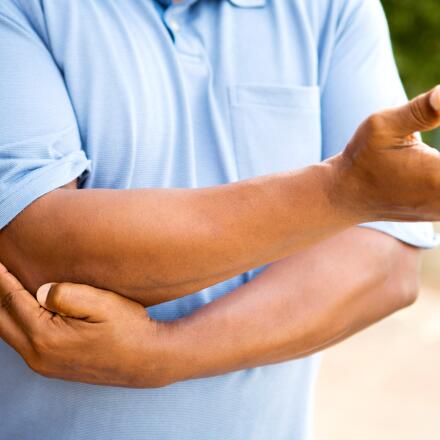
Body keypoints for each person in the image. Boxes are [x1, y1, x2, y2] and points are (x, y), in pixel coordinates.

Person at [0, 0, 439, 439]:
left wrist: (167, 352)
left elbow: (387, 261)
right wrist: (342, 192)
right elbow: (40, 246)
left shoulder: (335, 8)